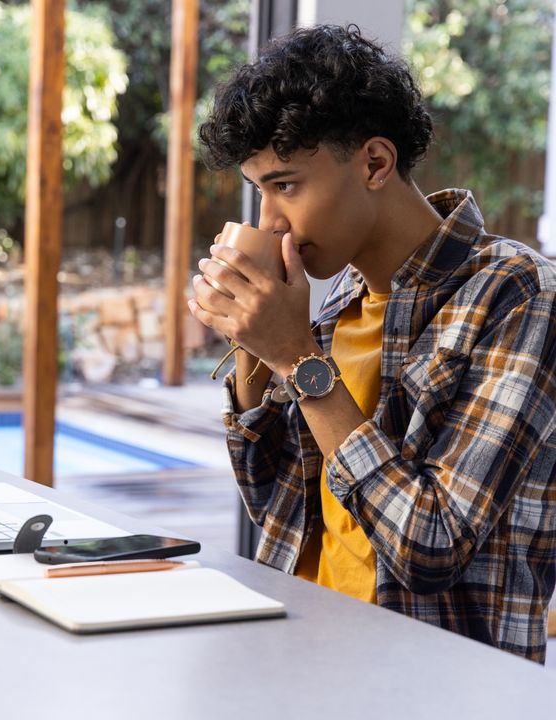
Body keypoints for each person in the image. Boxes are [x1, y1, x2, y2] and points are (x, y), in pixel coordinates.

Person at [190, 24, 556, 663]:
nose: (270, 220)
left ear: (375, 164)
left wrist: (297, 358)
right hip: (294, 660)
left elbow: (432, 544)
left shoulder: (520, 293)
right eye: (260, 192)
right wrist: (252, 343)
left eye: (287, 185)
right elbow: (279, 506)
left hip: (429, 688)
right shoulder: (339, 299)